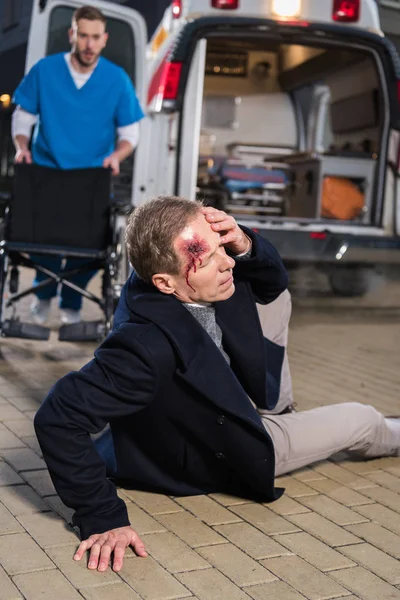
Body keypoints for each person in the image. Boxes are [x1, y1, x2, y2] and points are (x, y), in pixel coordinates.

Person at [34, 196, 400, 573]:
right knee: (362, 420)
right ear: (165, 283)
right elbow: (57, 418)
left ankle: (275, 405)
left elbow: (272, 281)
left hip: (228, 396)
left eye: (221, 247)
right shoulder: (142, 348)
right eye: (208, 260)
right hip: (222, 445)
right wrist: (103, 516)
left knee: (273, 294)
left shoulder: (170, 267)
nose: (227, 263)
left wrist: (243, 241)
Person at [12, 5, 144, 325]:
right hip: (46, 171)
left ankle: (71, 303)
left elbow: (130, 133)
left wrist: (117, 156)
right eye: (82, 35)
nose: (88, 44)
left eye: (95, 37)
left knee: (91, 243)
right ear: (72, 35)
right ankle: (43, 296)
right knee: (40, 237)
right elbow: (23, 116)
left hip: (91, 179)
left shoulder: (116, 79)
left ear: (104, 40)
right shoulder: (45, 70)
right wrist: (22, 147)